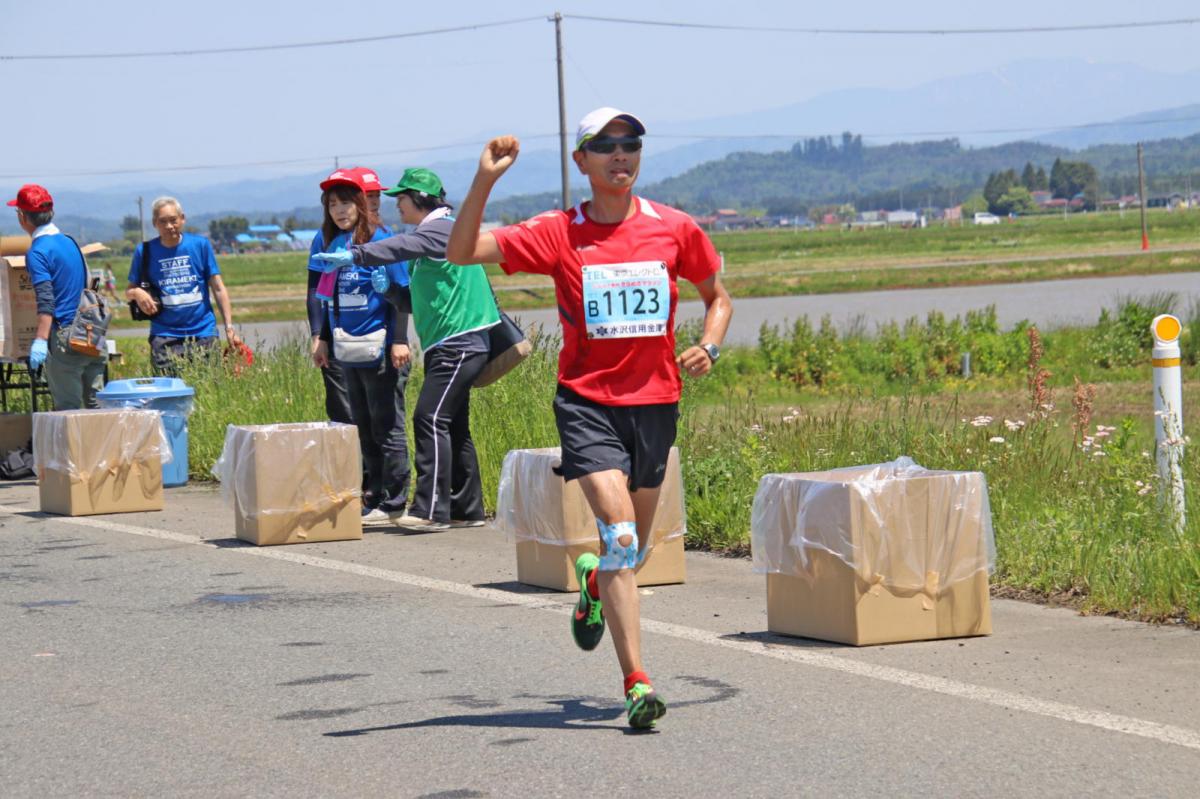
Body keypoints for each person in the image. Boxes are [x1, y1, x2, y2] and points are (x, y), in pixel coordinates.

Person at [444, 108, 733, 729]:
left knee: (633, 555)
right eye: (604, 146)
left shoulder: (674, 228)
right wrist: (484, 180)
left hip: (655, 403)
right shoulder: (558, 232)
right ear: (581, 162)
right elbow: (462, 249)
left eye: (630, 144)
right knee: (622, 537)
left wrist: (709, 344)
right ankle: (638, 684)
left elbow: (719, 297)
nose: (620, 154)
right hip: (588, 403)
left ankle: (593, 584)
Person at [312, 168, 496, 533]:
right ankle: (467, 508)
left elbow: (398, 247)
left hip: (460, 342)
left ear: (420, 199)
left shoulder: (442, 228)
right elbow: (416, 300)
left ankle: (431, 510)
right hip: (449, 342)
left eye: (401, 199)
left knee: (428, 418)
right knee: (454, 424)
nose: (396, 206)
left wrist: (357, 256)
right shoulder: (429, 235)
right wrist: (390, 292)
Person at [309, 171, 412, 526]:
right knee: (362, 424)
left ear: (361, 204)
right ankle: (374, 495)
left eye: (345, 203)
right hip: (346, 345)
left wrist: (399, 339)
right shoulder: (329, 242)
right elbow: (323, 296)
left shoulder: (384, 240)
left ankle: (397, 500)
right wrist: (321, 337)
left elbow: (402, 294)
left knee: (387, 424)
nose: (339, 211)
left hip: (381, 345)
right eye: (332, 205)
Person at [8, 184, 107, 409]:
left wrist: (40, 341)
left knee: (68, 411)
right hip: (93, 333)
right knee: (99, 409)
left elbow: (46, 301)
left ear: (22, 216)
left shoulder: (38, 252)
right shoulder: (70, 241)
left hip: (66, 339)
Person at [305, 167, 388, 426]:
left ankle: (372, 466)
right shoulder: (328, 236)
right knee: (344, 411)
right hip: (338, 335)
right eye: (369, 195)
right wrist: (319, 334)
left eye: (377, 196)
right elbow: (315, 289)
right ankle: (352, 464)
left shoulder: (382, 234)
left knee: (379, 419)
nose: (374, 201)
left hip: (374, 338)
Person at [126, 197, 242, 376]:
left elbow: (218, 288)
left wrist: (229, 328)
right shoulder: (144, 251)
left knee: (209, 389)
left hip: (203, 331)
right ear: (155, 223)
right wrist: (138, 293)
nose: (169, 226)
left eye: (173, 220)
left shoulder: (200, 246)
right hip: (165, 334)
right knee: (168, 392)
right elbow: (129, 290)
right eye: (163, 221)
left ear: (182, 219)